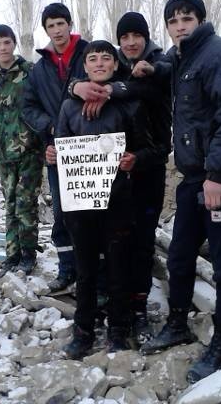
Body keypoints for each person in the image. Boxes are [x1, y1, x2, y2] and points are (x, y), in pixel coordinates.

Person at [140, 0, 221, 384]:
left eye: (186, 18)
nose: (179, 26)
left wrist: (219, 175)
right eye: (172, 21)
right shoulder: (181, 59)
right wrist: (147, 70)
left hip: (219, 178)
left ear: (200, 19)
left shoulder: (220, 54)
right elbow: (169, 71)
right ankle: (177, 324)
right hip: (194, 177)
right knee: (179, 255)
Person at [69, 12, 172, 344]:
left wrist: (110, 91)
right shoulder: (113, 66)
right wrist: (77, 87)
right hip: (107, 183)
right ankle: (109, 309)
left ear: (146, 38)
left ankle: (136, 311)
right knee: (109, 248)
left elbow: (154, 96)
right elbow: (73, 91)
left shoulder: (154, 67)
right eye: (124, 37)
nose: (130, 42)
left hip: (146, 172)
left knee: (140, 245)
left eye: (136, 36)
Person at [56, 40, 152, 359]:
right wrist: (52, 154)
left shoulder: (128, 105)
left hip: (118, 202)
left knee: (117, 267)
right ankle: (82, 330)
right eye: (92, 59)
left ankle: (118, 330)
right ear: (84, 67)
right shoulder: (69, 106)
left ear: (115, 65)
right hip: (81, 205)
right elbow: (59, 146)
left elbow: (150, 149)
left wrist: (134, 158)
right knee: (85, 270)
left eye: (106, 59)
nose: (99, 64)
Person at [22, 3, 89, 291]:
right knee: (63, 213)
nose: (57, 30)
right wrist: (49, 127)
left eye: (61, 23)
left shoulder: (90, 54)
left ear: (70, 24)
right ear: (46, 30)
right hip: (57, 150)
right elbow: (28, 106)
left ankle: (94, 275)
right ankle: (67, 270)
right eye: (51, 26)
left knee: (92, 212)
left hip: (91, 148)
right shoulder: (40, 69)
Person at [0, 24, 43, 274]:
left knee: (26, 203)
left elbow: (41, 108)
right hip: (2, 152)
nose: (2, 48)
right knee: (9, 203)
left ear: (14, 43)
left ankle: (29, 254)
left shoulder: (31, 73)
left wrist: (37, 139)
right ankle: (12, 253)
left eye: (6, 42)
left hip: (28, 150)